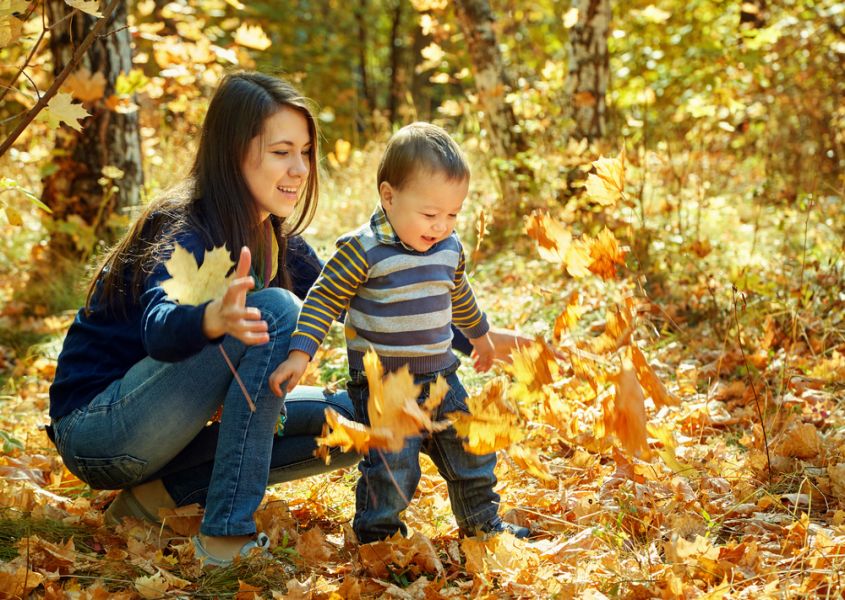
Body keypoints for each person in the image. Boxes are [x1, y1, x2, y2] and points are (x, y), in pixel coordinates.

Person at [47, 71, 361, 567]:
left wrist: (470, 334)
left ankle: (158, 500)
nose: (299, 169)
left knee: (360, 417)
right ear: (233, 153)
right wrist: (212, 318)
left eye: (304, 152)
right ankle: (224, 540)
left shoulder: (273, 234)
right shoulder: (184, 227)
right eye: (281, 152)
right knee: (278, 309)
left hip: (170, 435)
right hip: (100, 430)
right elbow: (159, 325)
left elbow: (348, 295)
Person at [270, 122, 530, 543]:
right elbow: (322, 301)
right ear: (389, 196)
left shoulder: (449, 248)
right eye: (430, 214)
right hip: (384, 385)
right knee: (394, 468)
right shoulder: (363, 250)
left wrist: (481, 338)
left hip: (443, 378)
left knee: (472, 451)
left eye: (452, 214)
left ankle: (483, 528)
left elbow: (459, 295)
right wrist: (301, 353)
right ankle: (379, 537)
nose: (441, 225)